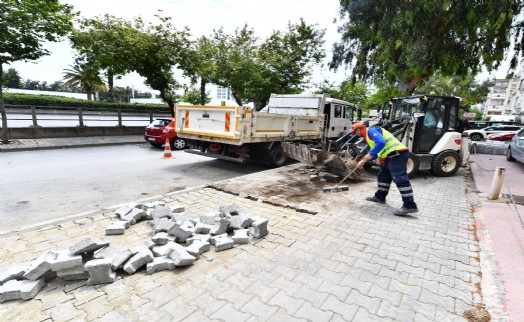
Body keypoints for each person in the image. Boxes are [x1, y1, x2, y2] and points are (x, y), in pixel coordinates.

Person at [352, 122, 418, 216]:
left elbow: (381, 142)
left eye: (355, 132)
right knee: (383, 177)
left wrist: (368, 156)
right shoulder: (368, 136)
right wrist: (364, 161)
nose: (356, 135)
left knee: (400, 179)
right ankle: (380, 197)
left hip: (396, 155)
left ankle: (410, 205)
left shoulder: (371, 130)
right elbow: (377, 151)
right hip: (388, 157)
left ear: (358, 130)